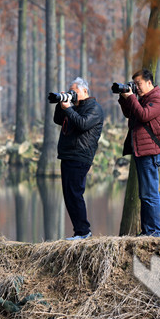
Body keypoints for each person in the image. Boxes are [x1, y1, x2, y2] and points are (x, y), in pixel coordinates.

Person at [117, 69, 160, 237]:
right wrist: (124, 97)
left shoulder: (157, 98)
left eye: (138, 84)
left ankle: (156, 232)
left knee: (150, 193)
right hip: (141, 151)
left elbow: (144, 115)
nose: (136, 88)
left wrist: (132, 97)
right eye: (135, 84)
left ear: (149, 82)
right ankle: (148, 231)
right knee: (144, 194)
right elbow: (130, 114)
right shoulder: (143, 99)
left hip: (151, 152)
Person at [54, 77, 104, 240]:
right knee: (69, 195)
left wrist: (68, 108)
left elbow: (82, 124)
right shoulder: (74, 107)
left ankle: (84, 232)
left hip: (81, 155)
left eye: (74, 92)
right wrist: (61, 104)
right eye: (70, 92)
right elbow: (58, 120)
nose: (72, 95)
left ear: (84, 90)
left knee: (75, 193)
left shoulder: (94, 108)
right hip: (68, 154)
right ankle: (79, 231)